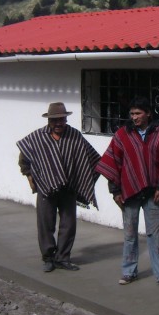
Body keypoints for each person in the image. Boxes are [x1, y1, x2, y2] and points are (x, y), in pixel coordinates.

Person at [96, 96, 159, 290]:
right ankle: (129, 272)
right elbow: (113, 163)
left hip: (154, 193)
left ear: (148, 113)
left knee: (156, 236)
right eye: (132, 114)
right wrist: (115, 191)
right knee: (130, 235)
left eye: (138, 113)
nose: (134, 117)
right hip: (129, 193)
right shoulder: (122, 135)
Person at [17, 102, 100, 272]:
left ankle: (63, 258)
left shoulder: (74, 135)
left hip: (68, 188)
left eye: (61, 119)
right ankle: (48, 257)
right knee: (45, 224)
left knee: (68, 224)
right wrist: (30, 176)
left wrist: (85, 177)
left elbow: (91, 158)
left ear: (65, 119)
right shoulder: (37, 137)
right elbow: (24, 159)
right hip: (46, 188)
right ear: (49, 120)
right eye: (55, 120)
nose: (58, 124)